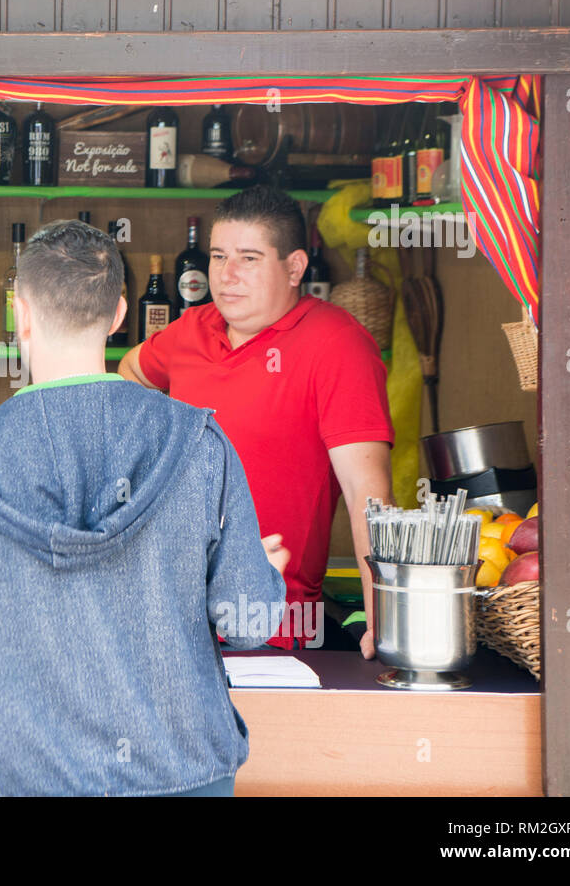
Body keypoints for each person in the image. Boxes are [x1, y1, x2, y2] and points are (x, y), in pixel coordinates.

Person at [0, 219, 287, 797]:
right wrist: (266, 578)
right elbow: (245, 624)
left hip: (25, 776)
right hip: (183, 773)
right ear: (119, 314)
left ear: (21, 314)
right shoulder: (198, 441)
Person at [119, 186, 394, 657]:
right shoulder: (191, 329)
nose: (227, 275)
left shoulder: (338, 346)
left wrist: (385, 624)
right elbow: (130, 374)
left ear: (295, 267)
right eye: (219, 256)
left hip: (273, 631)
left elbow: (369, 498)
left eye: (249, 258)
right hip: (168, 617)